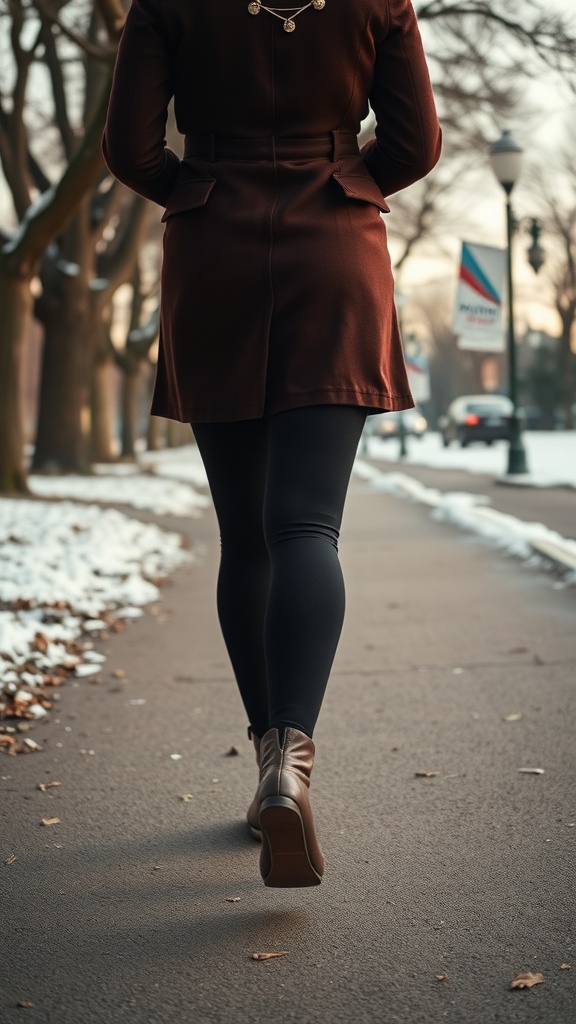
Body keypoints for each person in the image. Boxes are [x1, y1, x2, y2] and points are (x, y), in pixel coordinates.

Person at [103, 0, 441, 889]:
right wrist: (344, 180)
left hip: (211, 253)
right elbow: (415, 145)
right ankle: (293, 763)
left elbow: (130, 150)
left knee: (247, 538)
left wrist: (199, 190)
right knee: (306, 530)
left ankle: (267, 763)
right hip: (336, 250)